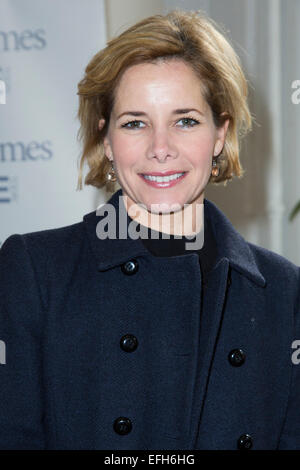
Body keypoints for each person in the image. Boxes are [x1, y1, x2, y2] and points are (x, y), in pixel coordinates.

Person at [0, 9, 299, 451]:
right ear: (105, 139)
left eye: (186, 121)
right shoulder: (34, 271)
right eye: (135, 123)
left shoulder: (283, 290)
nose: (161, 149)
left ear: (221, 133)